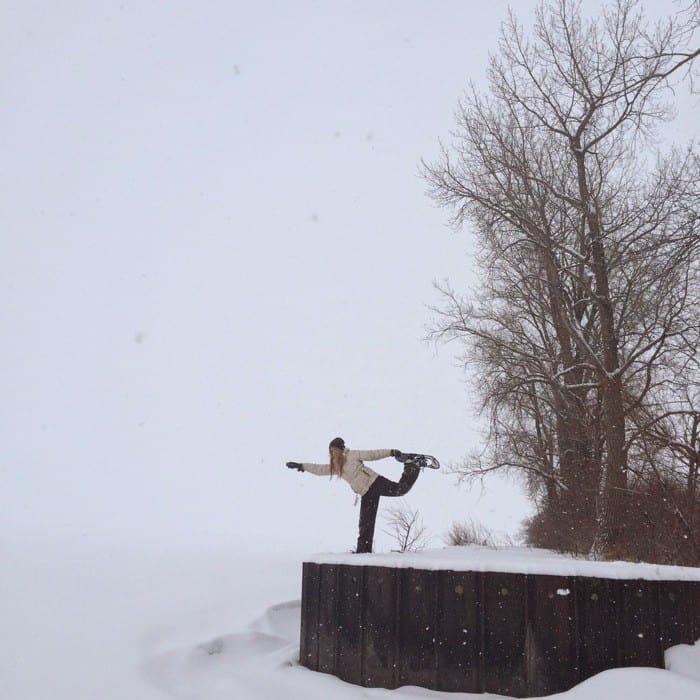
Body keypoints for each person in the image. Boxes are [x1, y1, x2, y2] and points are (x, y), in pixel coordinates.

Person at [286, 436, 421, 553]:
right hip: (365, 493)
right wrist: (302, 466)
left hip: (374, 482)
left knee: (400, 490)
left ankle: (412, 465)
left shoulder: (352, 455)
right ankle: (363, 552)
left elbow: (373, 454)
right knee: (365, 524)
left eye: (333, 450)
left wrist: (390, 452)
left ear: (340, 449)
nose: (332, 453)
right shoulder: (336, 467)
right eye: (330, 451)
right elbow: (320, 469)